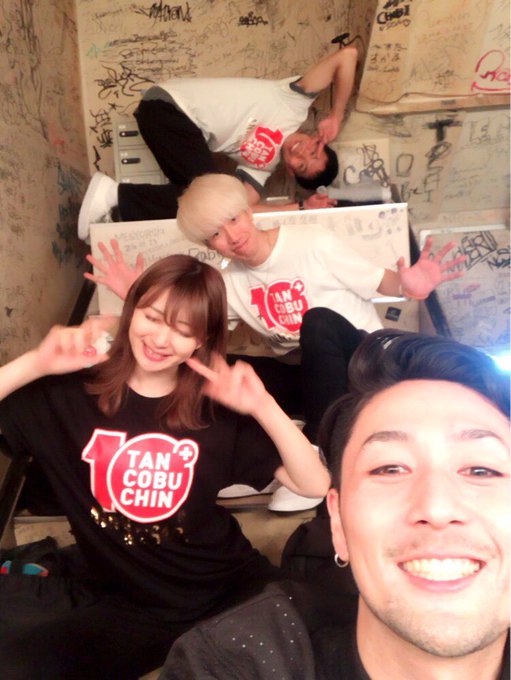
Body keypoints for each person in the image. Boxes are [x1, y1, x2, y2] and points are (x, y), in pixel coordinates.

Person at [0, 255, 329, 679]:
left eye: (183, 330)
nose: (159, 338)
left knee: (324, 642)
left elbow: (314, 484)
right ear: (130, 311)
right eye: (152, 317)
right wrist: (36, 363)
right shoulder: (67, 397)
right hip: (133, 607)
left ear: (202, 340)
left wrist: (263, 406)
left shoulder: (215, 410)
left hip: (228, 587)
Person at [160, 329, 510, 680]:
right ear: (337, 523)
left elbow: (310, 480)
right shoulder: (234, 660)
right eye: (390, 468)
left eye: (482, 470)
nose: (437, 508)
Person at [88, 173, 466, 447]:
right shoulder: (227, 284)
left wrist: (409, 285)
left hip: (366, 366)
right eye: (216, 233)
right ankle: (250, 454)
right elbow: (187, 331)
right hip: (312, 383)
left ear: (248, 211)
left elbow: (384, 282)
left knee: (316, 321)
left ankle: (319, 448)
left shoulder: (312, 243)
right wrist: (141, 298)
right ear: (209, 245)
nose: (232, 236)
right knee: (210, 367)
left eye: (234, 219)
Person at [77, 44, 359, 239]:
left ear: (291, 171)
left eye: (303, 165)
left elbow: (238, 210)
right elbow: (348, 55)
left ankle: (116, 211)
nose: (302, 153)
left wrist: (301, 207)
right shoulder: (294, 102)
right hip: (170, 108)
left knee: (205, 206)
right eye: (314, 152)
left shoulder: (262, 167)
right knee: (208, 198)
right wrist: (336, 115)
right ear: (316, 140)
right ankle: (113, 195)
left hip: (169, 125)